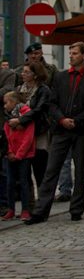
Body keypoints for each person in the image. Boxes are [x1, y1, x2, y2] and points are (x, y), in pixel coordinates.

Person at [26, 42, 84, 225]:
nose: (71, 56)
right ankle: (41, 211)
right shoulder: (60, 77)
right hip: (61, 130)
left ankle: (76, 208)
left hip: (82, 130)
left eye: (74, 53)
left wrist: (76, 120)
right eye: (70, 53)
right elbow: (52, 103)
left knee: (81, 169)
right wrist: (61, 119)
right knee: (52, 170)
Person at [10, 63, 51, 189]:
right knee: (24, 169)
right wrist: (15, 122)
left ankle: (42, 196)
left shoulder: (43, 90)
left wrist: (21, 120)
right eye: (23, 72)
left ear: (35, 75)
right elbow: (11, 107)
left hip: (38, 131)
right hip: (22, 133)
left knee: (39, 165)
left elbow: (39, 109)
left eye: (26, 72)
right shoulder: (18, 90)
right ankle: (29, 200)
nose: (23, 74)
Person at [3, 91, 35, 221]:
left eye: (7, 103)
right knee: (10, 182)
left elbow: (28, 137)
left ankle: (25, 209)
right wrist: (9, 151)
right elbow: (6, 136)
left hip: (25, 155)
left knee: (23, 182)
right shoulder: (7, 116)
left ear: (14, 102)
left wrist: (19, 154)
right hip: (11, 154)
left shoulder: (27, 114)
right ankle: (11, 209)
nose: (5, 106)